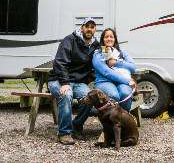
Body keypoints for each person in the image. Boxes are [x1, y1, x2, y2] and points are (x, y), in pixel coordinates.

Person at [48, 17, 101, 145]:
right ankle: (64, 133)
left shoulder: (95, 45)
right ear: (81, 28)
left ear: (95, 30)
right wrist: (65, 83)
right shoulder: (69, 40)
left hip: (78, 82)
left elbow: (99, 62)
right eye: (87, 26)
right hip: (58, 80)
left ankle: (76, 128)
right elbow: (60, 63)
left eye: (92, 27)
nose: (89, 29)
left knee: (89, 98)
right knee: (66, 95)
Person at [92, 28, 137, 144]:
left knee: (125, 93)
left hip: (121, 82)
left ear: (115, 39)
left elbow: (133, 67)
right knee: (113, 96)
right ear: (102, 39)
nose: (109, 39)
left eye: (111, 36)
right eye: (106, 37)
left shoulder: (122, 54)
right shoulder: (97, 55)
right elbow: (107, 73)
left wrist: (117, 62)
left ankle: (120, 126)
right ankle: (106, 131)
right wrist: (127, 81)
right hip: (104, 81)